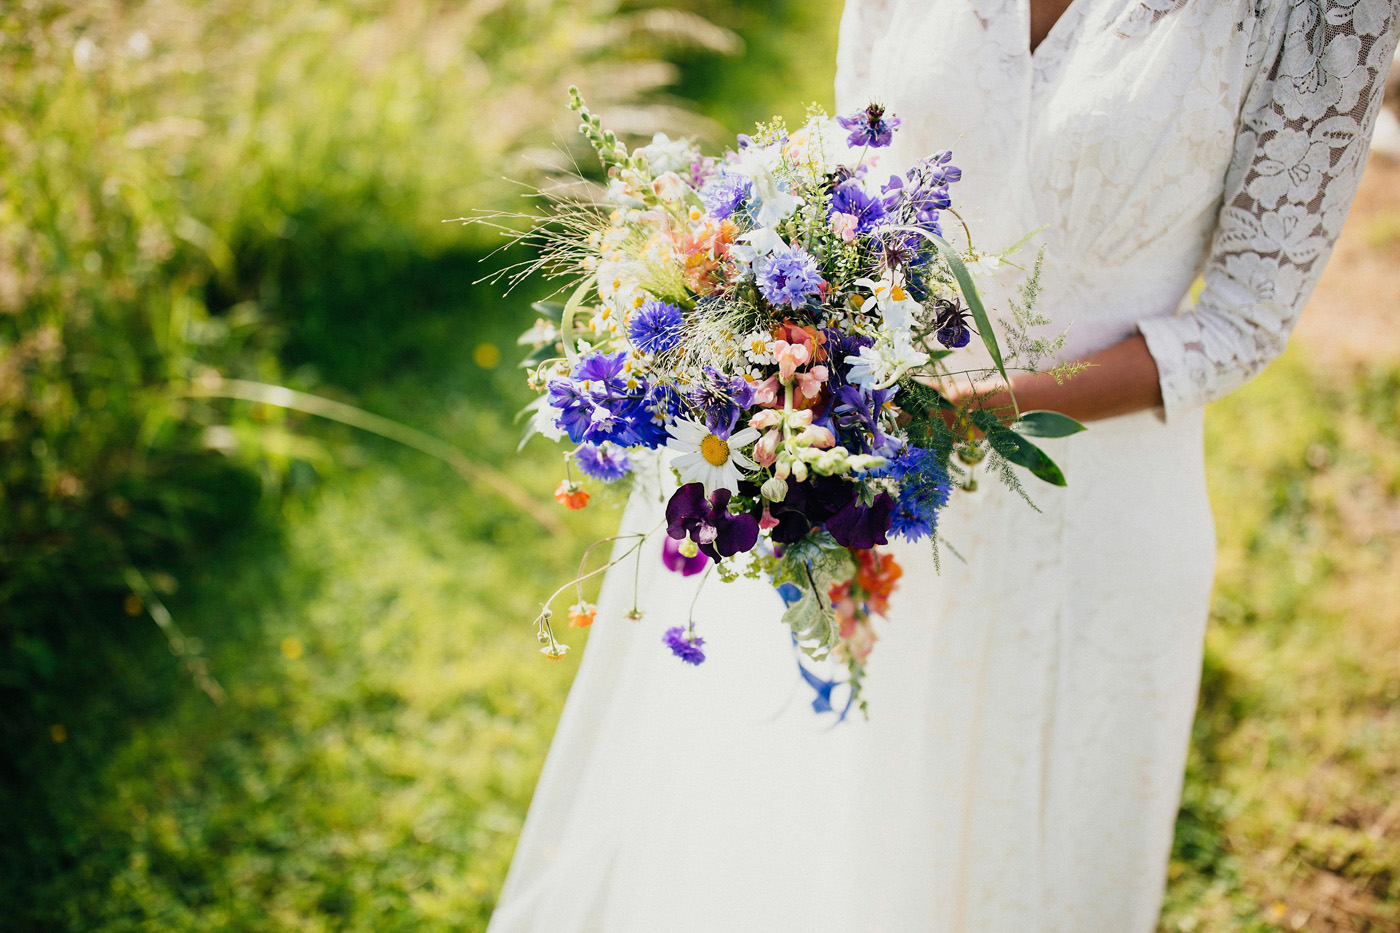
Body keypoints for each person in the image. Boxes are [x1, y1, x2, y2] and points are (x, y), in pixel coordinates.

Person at [487, 1, 1400, 930]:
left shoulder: (1325, 14)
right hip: (854, 471)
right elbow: (857, 158)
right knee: (829, 836)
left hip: (1088, 519)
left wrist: (966, 412)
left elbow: (1244, 322)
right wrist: (773, 340)